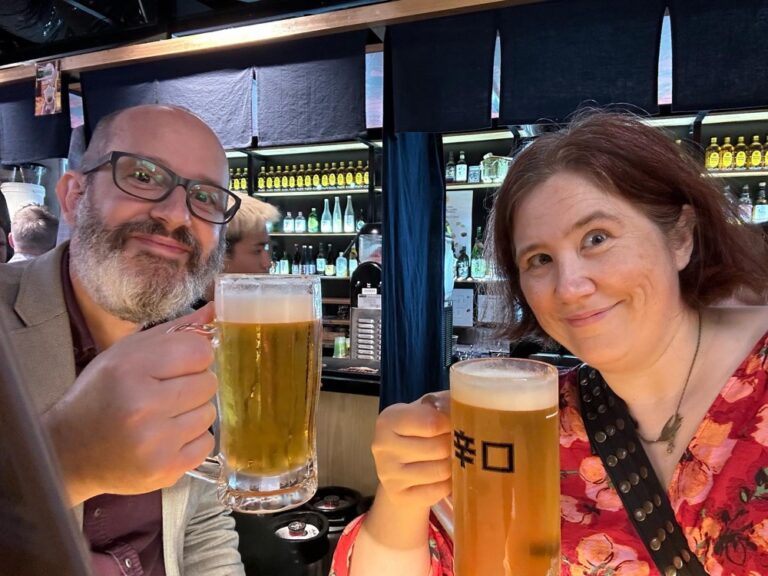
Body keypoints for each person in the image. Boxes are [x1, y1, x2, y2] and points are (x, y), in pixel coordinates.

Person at [331, 112, 768, 576]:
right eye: (539, 259)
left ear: (679, 236)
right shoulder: (538, 422)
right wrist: (403, 495)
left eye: (596, 238)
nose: (570, 285)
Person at [0, 104, 246, 575]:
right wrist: (63, 462)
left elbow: (205, 525)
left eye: (207, 197)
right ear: (74, 195)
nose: (177, 215)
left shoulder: (199, 343)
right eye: (145, 175)